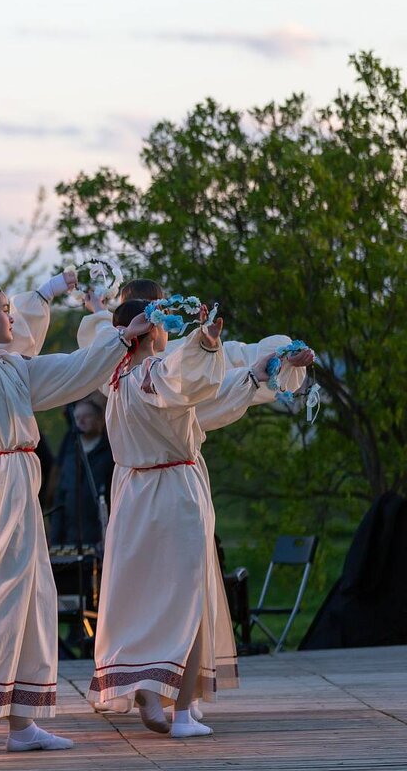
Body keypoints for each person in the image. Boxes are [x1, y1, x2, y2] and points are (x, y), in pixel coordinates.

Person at [0, 236, 152, 758]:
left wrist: (122, 338)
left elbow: (73, 370)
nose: (12, 317)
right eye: (2, 310)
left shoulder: (13, 367)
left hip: (17, 484)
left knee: (32, 602)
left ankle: (22, 725)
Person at [89, 299, 314, 738]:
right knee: (189, 597)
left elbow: (198, 396)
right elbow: (184, 380)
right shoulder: (156, 374)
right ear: (152, 332)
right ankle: (177, 710)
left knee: (139, 593)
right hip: (174, 489)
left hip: (134, 494)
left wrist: (257, 370)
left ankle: (152, 689)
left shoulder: (115, 381)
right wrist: (206, 343)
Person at [49, 396, 113, 546]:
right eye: (77, 417)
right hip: (71, 537)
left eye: (87, 416)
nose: (81, 421)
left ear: (100, 419)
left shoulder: (111, 453)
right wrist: (55, 538)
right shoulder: (70, 453)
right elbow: (60, 496)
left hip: (100, 536)